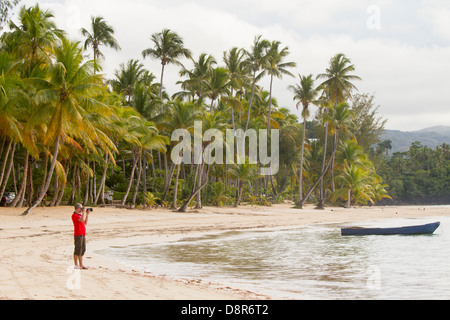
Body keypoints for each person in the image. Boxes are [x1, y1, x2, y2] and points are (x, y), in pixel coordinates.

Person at [72, 203, 91, 270]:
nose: (82, 209)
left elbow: (85, 222)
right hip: (78, 234)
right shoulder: (74, 215)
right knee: (77, 250)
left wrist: (87, 215)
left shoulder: (79, 215)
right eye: (81, 208)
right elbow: (82, 220)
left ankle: (81, 264)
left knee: (82, 250)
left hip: (82, 234)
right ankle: (76, 264)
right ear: (78, 208)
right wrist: (83, 212)